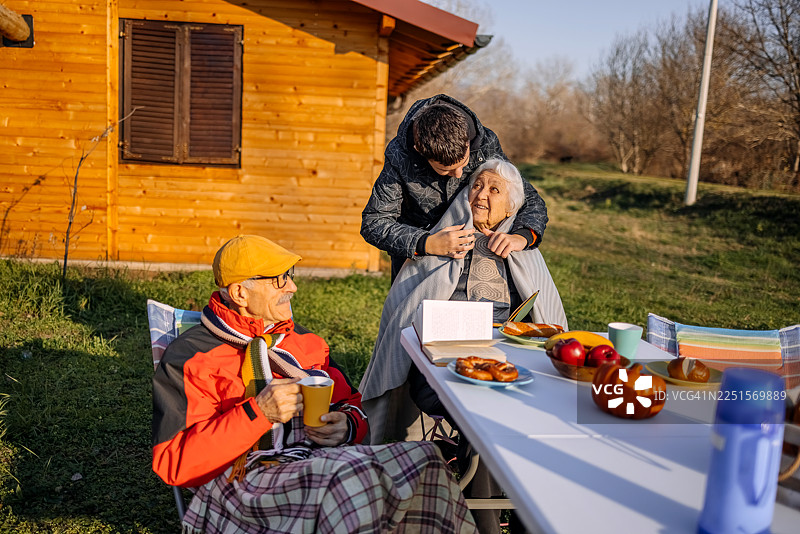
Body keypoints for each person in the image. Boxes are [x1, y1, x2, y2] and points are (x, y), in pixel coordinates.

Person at [152, 234, 478, 534]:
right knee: (352, 482)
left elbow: (351, 403)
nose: (292, 287)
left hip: (317, 462)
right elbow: (174, 463)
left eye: (290, 276)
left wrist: (348, 426)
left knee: (426, 459)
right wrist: (258, 413)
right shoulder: (193, 356)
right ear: (240, 292)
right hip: (242, 482)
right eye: (279, 279)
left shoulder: (303, 342)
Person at [359, 160, 568, 534]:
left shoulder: (524, 251)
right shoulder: (445, 240)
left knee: (526, 419)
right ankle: (487, 525)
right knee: (486, 419)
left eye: (494, 190)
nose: (481, 195)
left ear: (512, 207)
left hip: (512, 366)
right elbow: (405, 309)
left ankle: (526, 520)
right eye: (477, 186)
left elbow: (547, 322)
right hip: (442, 369)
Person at [361, 94, 549, 282]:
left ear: (467, 139)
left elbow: (528, 198)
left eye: (464, 163)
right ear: (420, 150)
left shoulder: (485, 143)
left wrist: (522, 236)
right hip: (417, 267)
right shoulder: (399, 156)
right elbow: (374, 223)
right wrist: (426, 242)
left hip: (478, 264)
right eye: (446, 170)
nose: (459, 174)